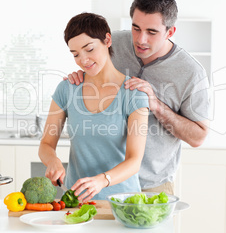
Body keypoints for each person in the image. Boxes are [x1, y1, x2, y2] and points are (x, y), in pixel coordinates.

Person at [66, 0, 210, 195]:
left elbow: (198, 137)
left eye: (152, 32)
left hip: (152, 186)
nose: (141, 39)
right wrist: (79, 77)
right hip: (104, 183)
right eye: (136, 28)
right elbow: (86, 60)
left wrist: (156, 105)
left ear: (170, 32)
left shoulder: (191, 73)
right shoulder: (112, 43)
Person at [38, 13, 149, 201]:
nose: (83, 60)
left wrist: (102, 180)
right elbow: (46, 144)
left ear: (107, 39)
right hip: (78, 201)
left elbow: (134, 160)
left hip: (123, 202)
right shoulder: (67, 89)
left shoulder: (134, 93)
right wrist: (53, 161)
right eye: (75, 54)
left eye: (89, 49)